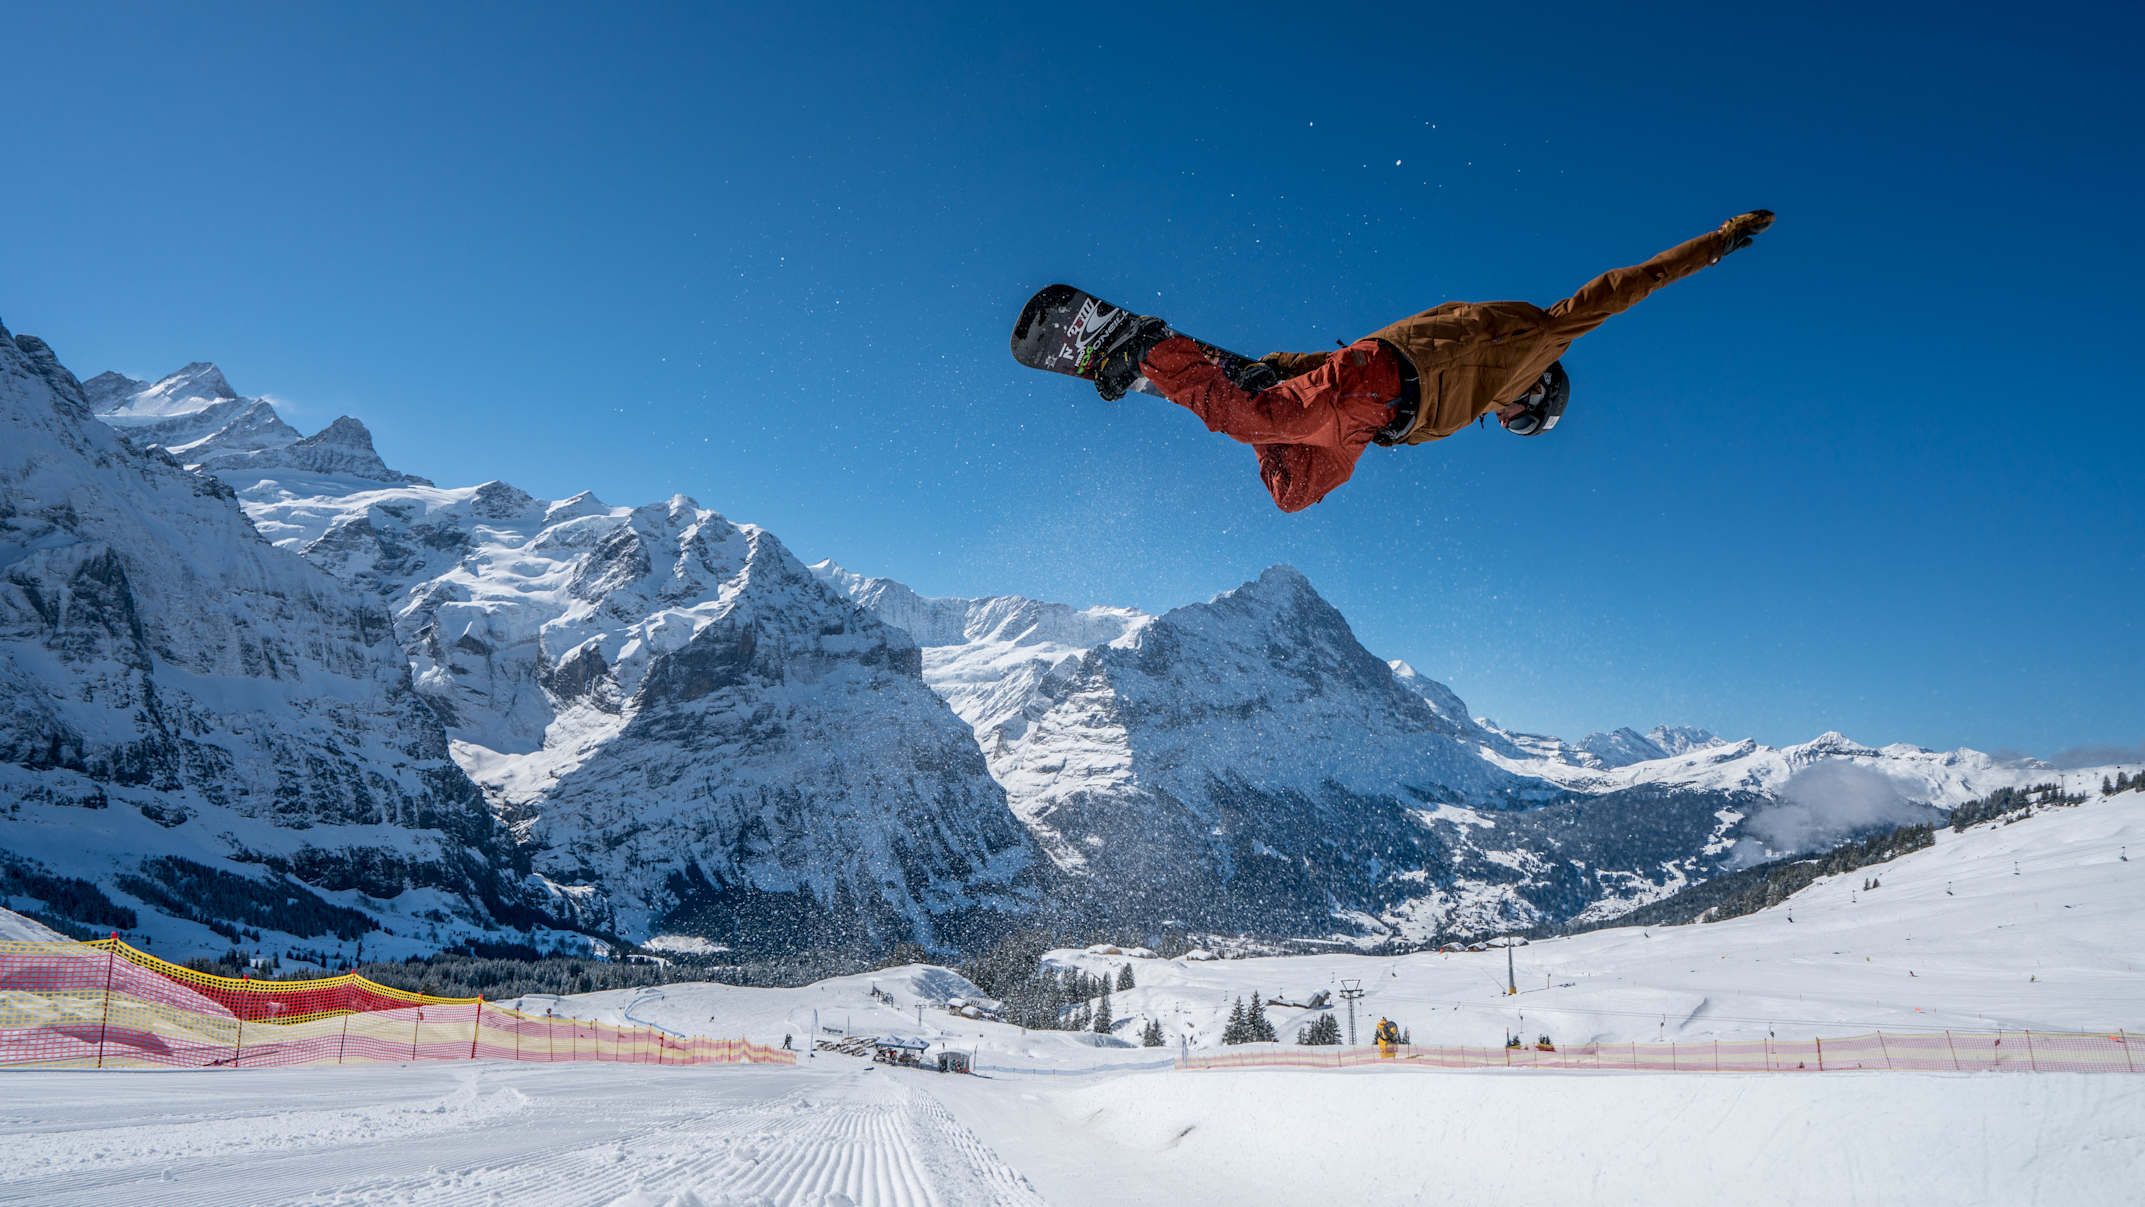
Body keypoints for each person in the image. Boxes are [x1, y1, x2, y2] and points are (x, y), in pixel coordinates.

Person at [1090, 211, 1775, 512]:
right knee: (1245, 420)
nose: (1501, 424)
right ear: (1537, 397)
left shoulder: (1476, 395)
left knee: (1293, 492)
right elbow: (1630, 285)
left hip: (1369, 425)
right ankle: (1148, 348)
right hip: (1379, 383)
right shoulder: (1540, 339)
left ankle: (1250, 392)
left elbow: (1347, 363)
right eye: (1517, 424)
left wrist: (1282, 367)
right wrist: (1716, 244)